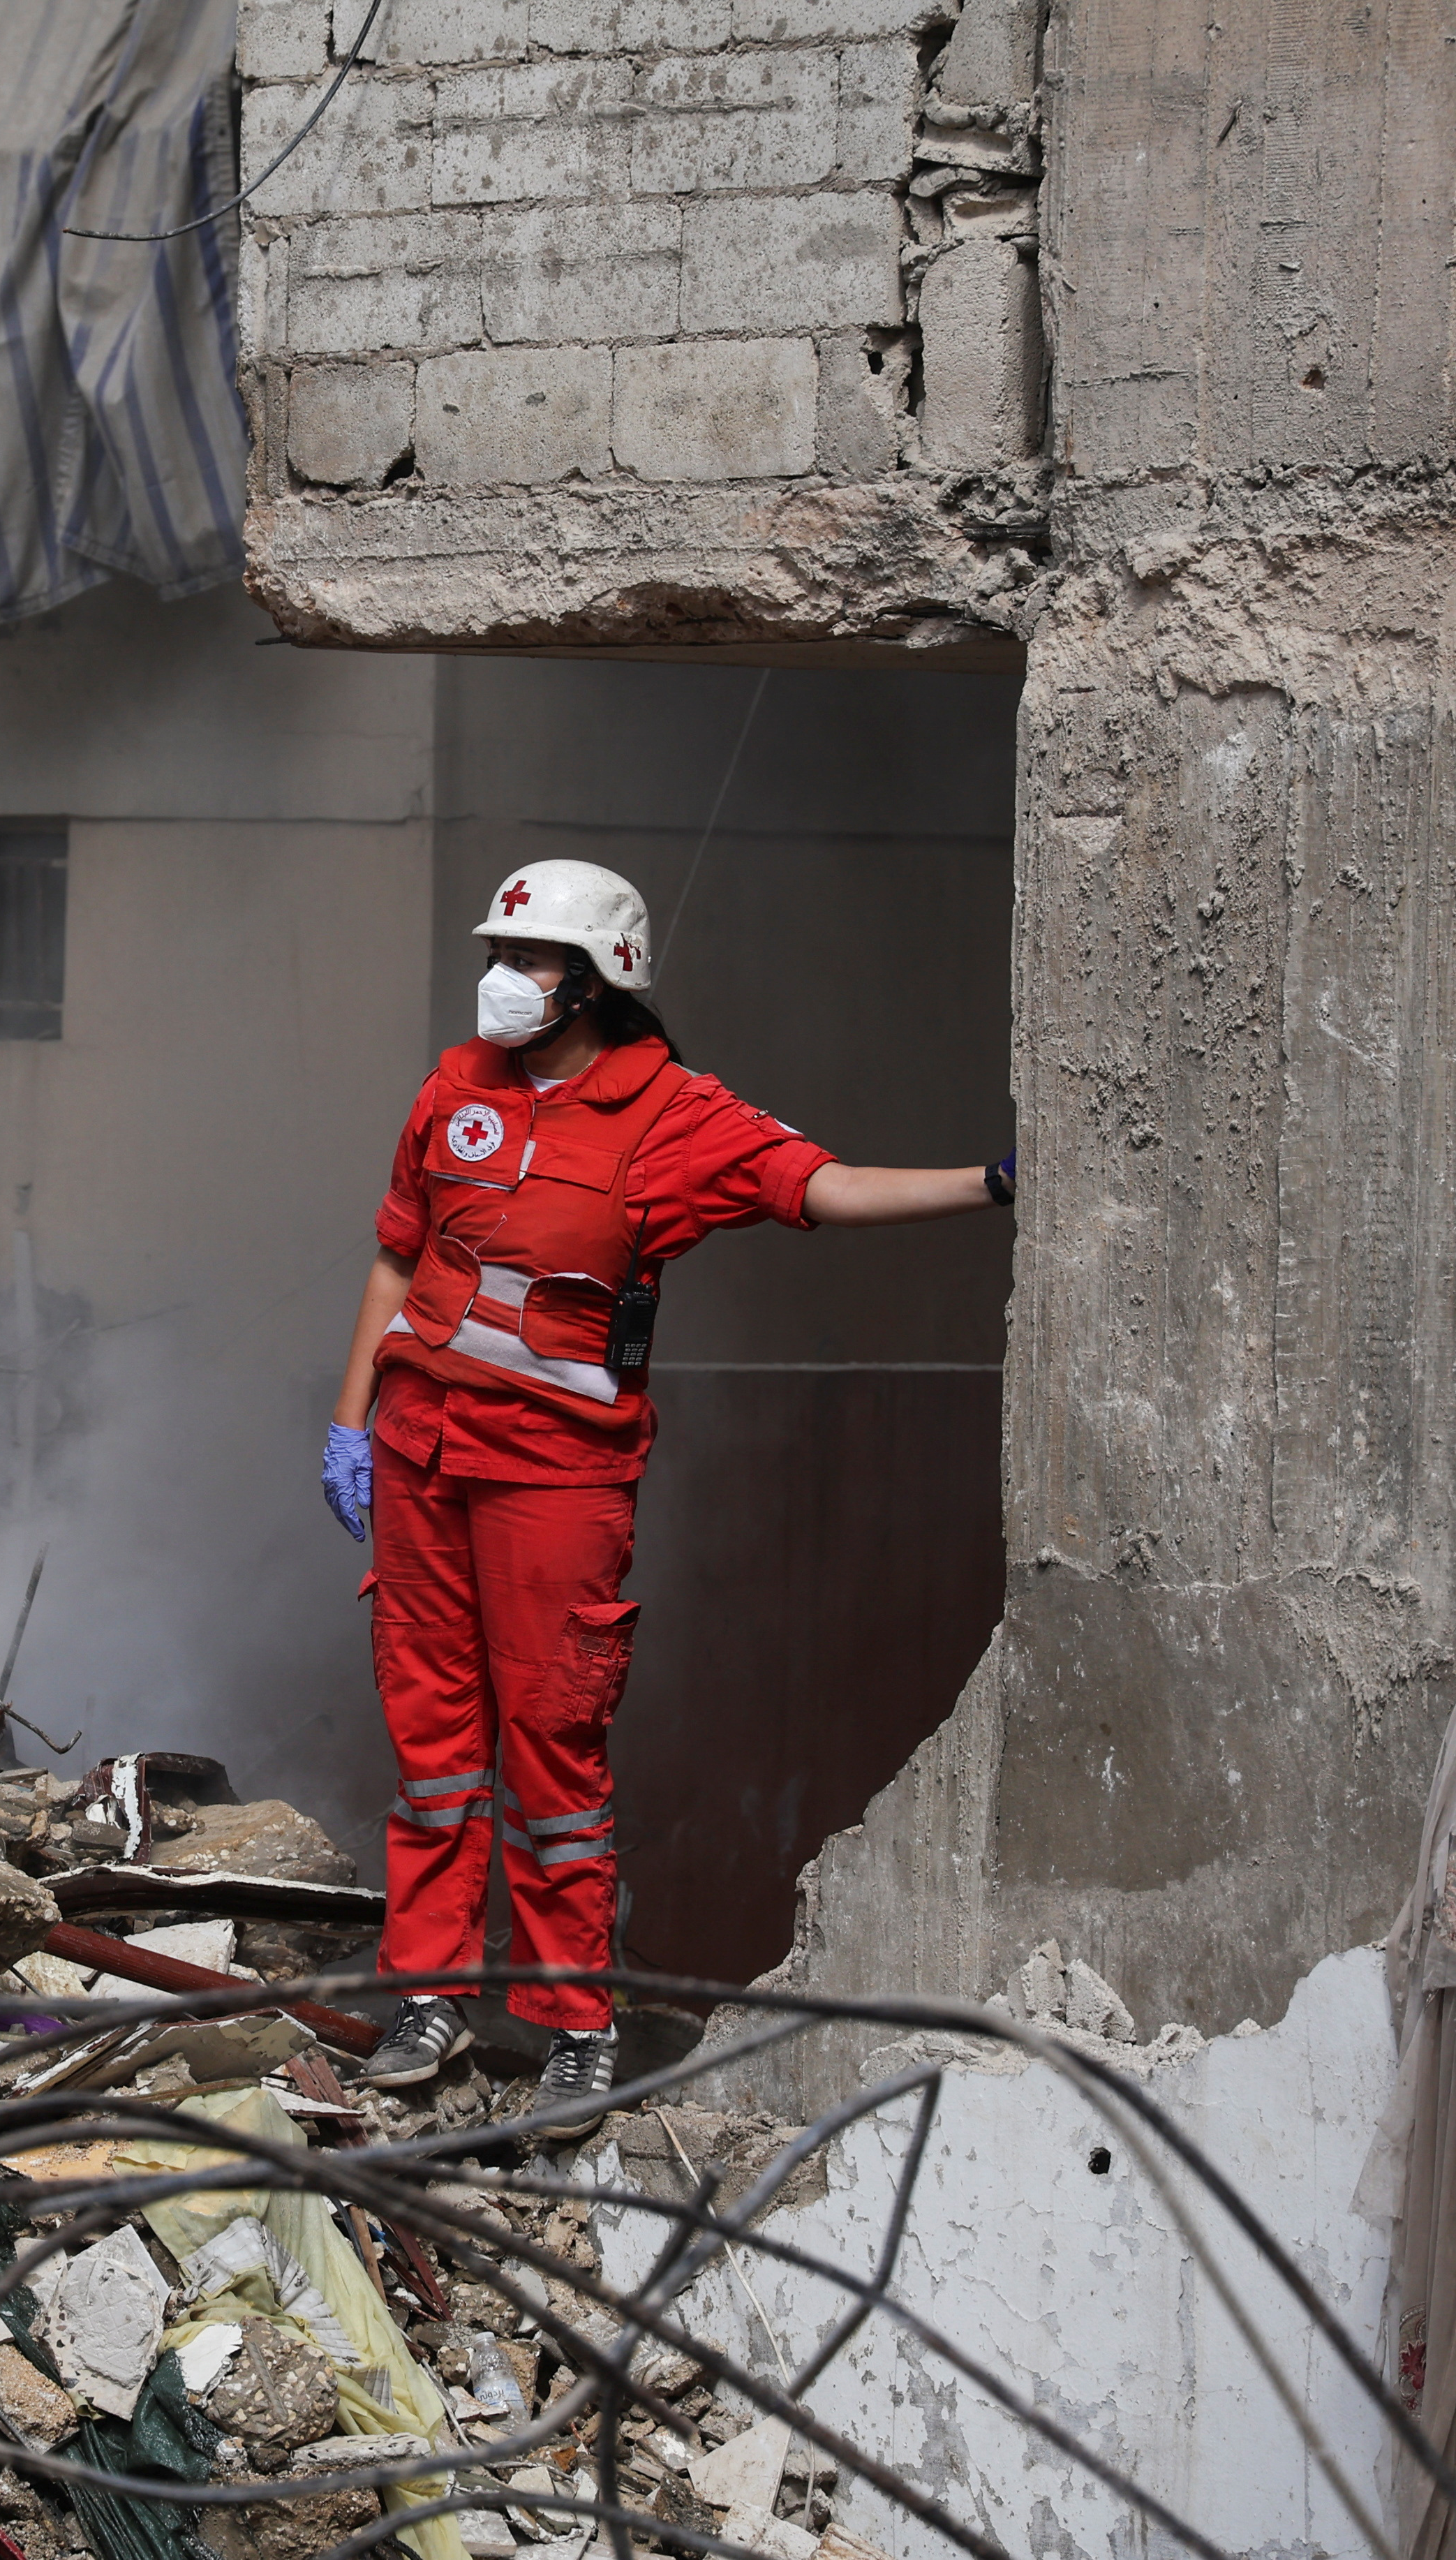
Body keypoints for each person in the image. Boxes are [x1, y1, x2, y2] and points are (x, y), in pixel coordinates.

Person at [321, 859, 1011, 2124]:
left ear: (595, 982)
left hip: (556, 1477)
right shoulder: (453, 1088)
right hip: (421, 1459)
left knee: (551, 1749)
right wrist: (349, 1421)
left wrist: (994, 1183)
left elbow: (827, 1187)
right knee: (431, 1749)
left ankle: (574, 2017)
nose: (503, 979)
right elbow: (396, 1257)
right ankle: (427, 1999)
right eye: (502, 952)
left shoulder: (670, 1115)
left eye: (530, 960)